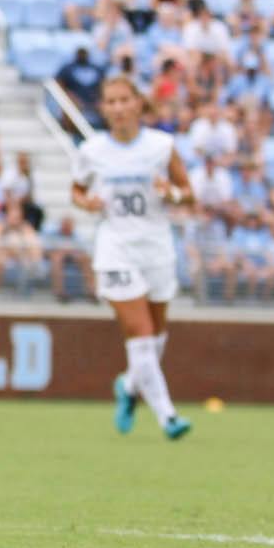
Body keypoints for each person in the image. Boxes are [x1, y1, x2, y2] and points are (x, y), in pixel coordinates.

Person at [69, 74, 196, 438]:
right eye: (111, 102)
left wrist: (170, 193)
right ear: (104, 109)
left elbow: (189, 194)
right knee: (139, 334)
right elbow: (76, 190)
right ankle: (168, 417)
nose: (119, 108)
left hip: (156, 247)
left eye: (125, 100)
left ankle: (127, 387)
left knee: (156, 338)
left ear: (139, 103)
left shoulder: (161, 145)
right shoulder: (92, 150)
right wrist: (87, 203)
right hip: (115, 248)